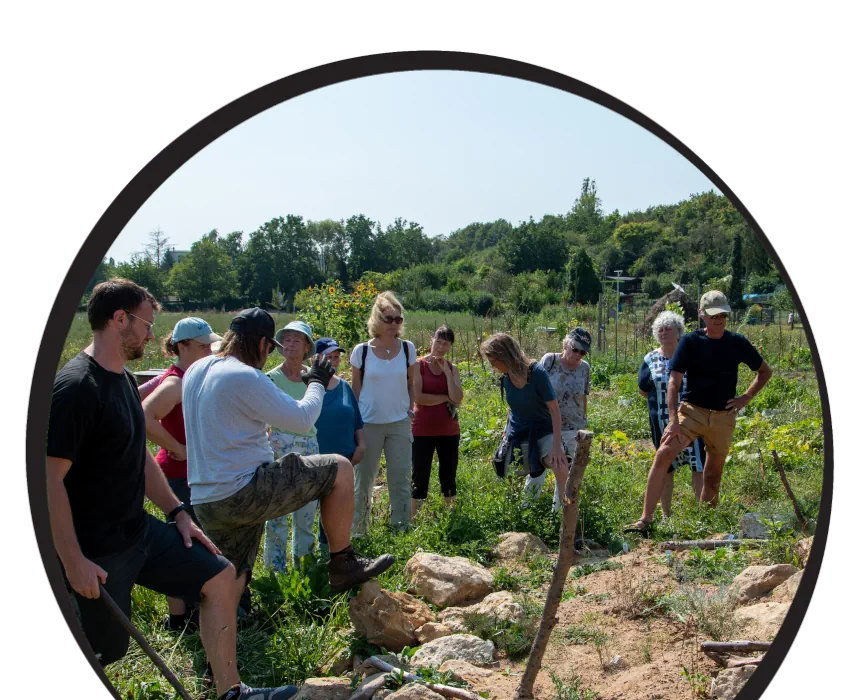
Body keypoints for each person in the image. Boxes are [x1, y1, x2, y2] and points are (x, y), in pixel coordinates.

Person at [47, 279, 300, 700]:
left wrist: (177, 512)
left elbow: (139, 457)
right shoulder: (76, 388)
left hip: (139, 531)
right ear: (119, 319)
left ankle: (230, 693)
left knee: (220, 574)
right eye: (146, 322)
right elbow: (47, 478)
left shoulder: (124, 381)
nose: (152, 333)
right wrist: (73, 562)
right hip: (96, 548)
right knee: (103, 649)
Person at [181, 307, 394, 614]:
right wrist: (318, 381)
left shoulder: (196, 371)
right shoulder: (244, 375)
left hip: (206, 499)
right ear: (263, 344)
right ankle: (342, 563)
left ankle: (234, 618)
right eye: (270, 349)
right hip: (245, 490)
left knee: (234, 573)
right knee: (340, 469)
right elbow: (302, 418)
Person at [625, 291, 773, 533]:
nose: (719, 319)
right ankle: (645, 519)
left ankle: (706, 523)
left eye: (724, 314)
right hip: (692, 411)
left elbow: (765, 372)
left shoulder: (737, 343)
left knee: (713, 474)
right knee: (664, 454)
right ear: (702, 315)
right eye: (714, 315)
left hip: (723, 417)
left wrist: (745, 397)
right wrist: (673, 421)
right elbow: (674, 382)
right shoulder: (691, 342)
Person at [142, 317, 221, 631]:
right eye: (202, 346)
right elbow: (144, 416)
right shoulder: (175, 382)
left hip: (191, 473)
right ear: (182, 346)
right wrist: (178, 446)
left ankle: (189, 612)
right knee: (183, 545)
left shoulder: (191, 376)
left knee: (191, 542)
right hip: (177, 474)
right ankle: (179, 618)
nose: (208, 350)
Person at [350, 292, 418, 536]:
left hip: (400, 422)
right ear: (376, 319)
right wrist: (354, 423)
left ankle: (400, 528)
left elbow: (412, 383)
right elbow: (355, 388)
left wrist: (411, 407)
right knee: (363, 481)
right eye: (389, 319)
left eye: (398, 319)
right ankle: (359, 532)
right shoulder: (362, 351)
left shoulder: (408, 349)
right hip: (368, 423)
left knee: (400, 478)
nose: (394, 324)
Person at [480, 333, 570, 508]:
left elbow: (554, 410)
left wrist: (557, 445)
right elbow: (512, 407)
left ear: (505, 356)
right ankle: (519, 513)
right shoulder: (506, 377)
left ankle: (559, 516)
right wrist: (506, 432)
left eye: (493, 362)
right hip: (518, 431)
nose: (492, 367)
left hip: (543, 430)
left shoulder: (536, 373)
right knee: (505, 473)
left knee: (561, 467)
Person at [263, 320, 324, 573]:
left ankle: (304, 570)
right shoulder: (270, 378)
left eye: (296, 339)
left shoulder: (313, 377)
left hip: (308, 446)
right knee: (276, 513)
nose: (290, 344)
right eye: (286, 339)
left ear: (307, 346)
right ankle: (276, 574)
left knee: (306, 511)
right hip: (278, 445)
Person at [637, 311, 707, 517]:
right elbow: (643, 389)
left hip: (691, 420)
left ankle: (702, 514)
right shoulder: (650, 359)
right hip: (661, 424)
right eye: (660, 329)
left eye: (669, 328)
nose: (664, 332)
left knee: (698, 464)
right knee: (665, 468)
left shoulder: (690, 356)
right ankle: (667, 516)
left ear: (679, 332)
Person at [313, 337, 366, 554]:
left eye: (336, 357)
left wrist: (361, 445)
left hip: (345, 461)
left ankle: (334, 553)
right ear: (316, 359)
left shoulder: (344, 387)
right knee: (310, 513)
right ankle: (310, 557)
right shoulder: (309, 385)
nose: (334, 361)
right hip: (315, 460)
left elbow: (356, 421)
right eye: (329, 357)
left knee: (337, 510)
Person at [410, 325, 464, 521]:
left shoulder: (452, 368)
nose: (441, 346)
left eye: (446, 343)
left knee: (448, 473)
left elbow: (457, 398)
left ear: (450, 346)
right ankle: (414, 519)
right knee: (420, 473)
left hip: (448, 429)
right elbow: (419, 397)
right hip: (422, 428)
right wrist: (444, 398)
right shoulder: (418, 365)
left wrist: (447, 374)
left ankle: (450, 517)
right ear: (431, 340)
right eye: (438, 341)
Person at [539, 328, 592, 512]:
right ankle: (527, 509)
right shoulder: (550, 360)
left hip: (573, 427)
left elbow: (583, 396)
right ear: (565, 344)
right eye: (575, 349)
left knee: (567, 473)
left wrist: (583, 421)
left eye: (582, 351)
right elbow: (535, 389)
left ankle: (559, 514)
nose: (578, 354)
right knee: (539, 468)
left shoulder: (585, 368)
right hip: (547, 425)